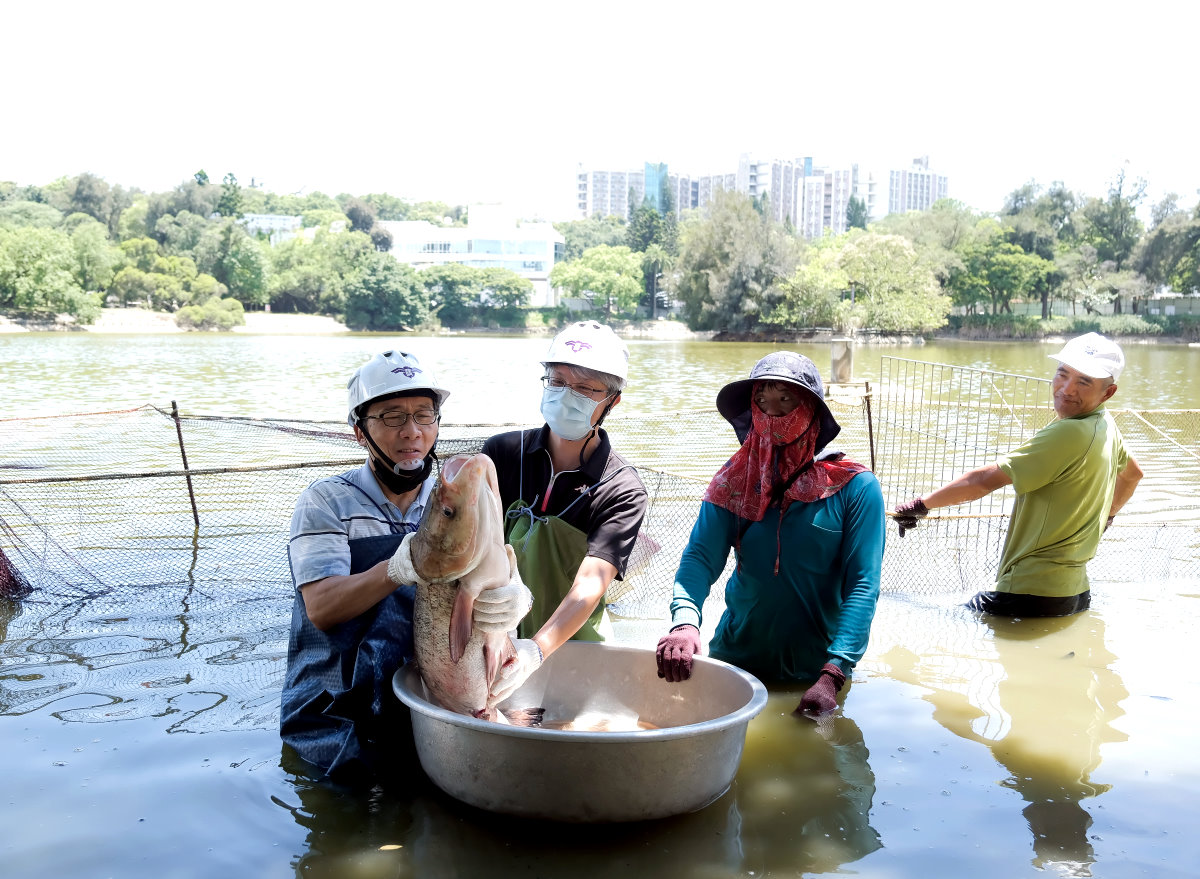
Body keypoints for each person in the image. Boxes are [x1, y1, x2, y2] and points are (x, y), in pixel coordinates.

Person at [280, 350, 530, 783]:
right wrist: (397, 568)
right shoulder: (325, 502)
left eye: (424, 415)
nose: (412, 432)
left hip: (428, 707)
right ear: (360, 431)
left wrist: (515, 597)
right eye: (392, 417)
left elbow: (496, 567)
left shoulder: (451, 497)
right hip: (338, 714)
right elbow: (320, 607)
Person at [656, 351, 886, 717]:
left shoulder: (854, 488)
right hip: (736, 665)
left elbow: (863, 583)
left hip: (817, 674)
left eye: (786, 400)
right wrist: (685, 623)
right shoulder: (733, 481)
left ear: (811, 408)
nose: (773, 414)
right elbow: (700, 557)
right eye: (762, 401)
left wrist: (834, 673)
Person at [892, 332, 1143, 617]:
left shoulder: (1071, 431)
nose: (1067, 389)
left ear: (1108, 392)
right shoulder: (1104, 423)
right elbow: (1133, 473)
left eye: (1084, 381)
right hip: (1074, 594)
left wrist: (921, 505)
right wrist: (1108, 516)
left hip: (1029, 592)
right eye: (1063, 374)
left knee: (923, 620)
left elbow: (984, 480)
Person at [482, 321, 649, 703]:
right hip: (493, 644)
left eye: (585, 388)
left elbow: (591, 583)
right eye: (556, 381)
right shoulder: (501, 455)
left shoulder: (620, 487)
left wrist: (534, 652)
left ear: (612, 400)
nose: (566, 396)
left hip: (577, 654)